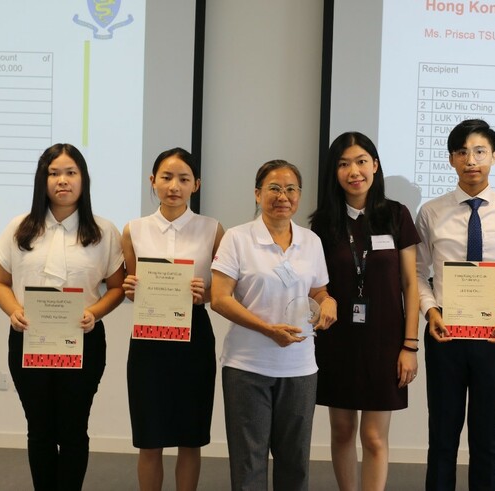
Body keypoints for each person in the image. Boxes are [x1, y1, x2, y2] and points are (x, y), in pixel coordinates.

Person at [0, 143, 125, 491]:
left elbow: (116, 288)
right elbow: (0, 283)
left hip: (84, 341)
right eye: (54, 173)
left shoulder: (103, 230)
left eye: (71, 172)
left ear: (83, 179)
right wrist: (14, 310)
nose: (62, 180)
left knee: (73, 429)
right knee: (39, 429)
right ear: (42, 180)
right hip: (29, 340)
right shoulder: (20, 226)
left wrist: (93, 312)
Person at [415, 119, 495, 490]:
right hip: (444, 335)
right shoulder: (431, 212)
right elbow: (418, 274)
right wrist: (430, 310)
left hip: (494, 337)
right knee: (442, 435)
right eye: (462, 152)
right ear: (452, 159)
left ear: (494, 157)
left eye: (480, 151)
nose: (471, 160)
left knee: (485, 438)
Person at [210, 159, 338, 490]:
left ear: (299, 195)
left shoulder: (311, 241)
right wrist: (267, 329)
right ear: (257, 194)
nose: (283, 196)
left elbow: (319, 290)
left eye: (291, 189)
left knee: (294, 462)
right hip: (247, 366)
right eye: (274, 188)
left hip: (300, 367)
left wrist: (329, 302)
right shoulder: (237, 239)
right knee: (248, 461)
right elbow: (220, 298)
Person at [309, 131, 420, 491]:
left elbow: (410, 285)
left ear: (375, 165)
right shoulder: (324, 223)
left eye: (360, 161)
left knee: (374, 437)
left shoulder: (396, 215)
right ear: (334, 172)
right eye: (343, 164)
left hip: (385, 341)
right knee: (342, 432)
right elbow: (316, 284)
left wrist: (410, 346)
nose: (353, 171)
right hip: (337, 340)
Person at [121, 148, 224, 491]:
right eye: (166, 178)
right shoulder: (134, 230)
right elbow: (131, 287)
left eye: (183, 179)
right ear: (153, 182)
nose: (174, 186)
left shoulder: (213, 229)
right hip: (149, 339)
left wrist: (204, 294)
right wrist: (130, 286)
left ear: (196, 184)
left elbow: (221, 291)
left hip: (193, 337)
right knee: (149, 438)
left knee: (189, 436)